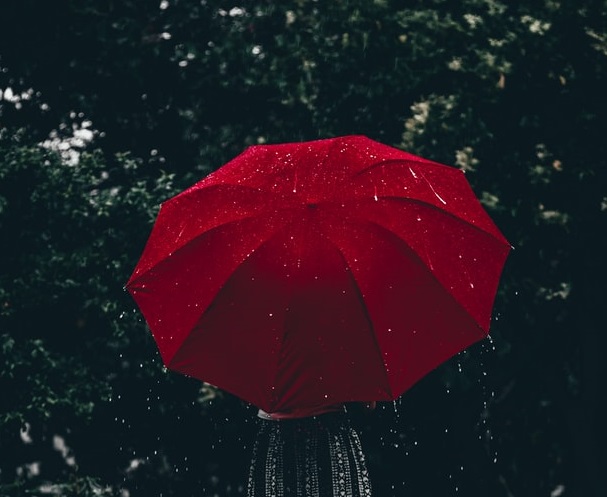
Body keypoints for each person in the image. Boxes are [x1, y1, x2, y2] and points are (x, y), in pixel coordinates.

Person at [247, 401, 375, 496]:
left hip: (277, 437)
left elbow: (248, 395)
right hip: (329, 438)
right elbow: (367, 404)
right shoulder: (339, 364)